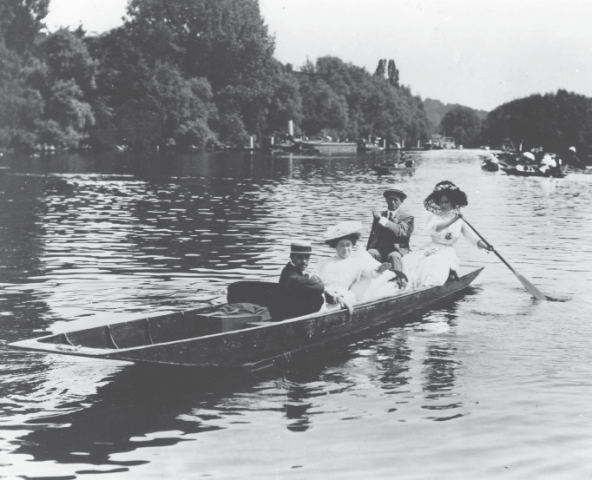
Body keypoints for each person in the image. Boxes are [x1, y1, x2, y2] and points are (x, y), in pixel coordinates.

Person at [402, 181, 491, 289]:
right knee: (408, 260)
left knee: (436, 262)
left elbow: (472, 239)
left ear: (452, 203)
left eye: (446, 202)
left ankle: (429, 286)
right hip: (431, 248)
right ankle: (409, 286)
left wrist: (486, 246)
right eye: (441, 202)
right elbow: (436, 228)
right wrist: (453, 220)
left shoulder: (460, 219)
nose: (443, 205)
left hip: (447, 252)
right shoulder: (434, 217)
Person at [314, 221, 393, 314]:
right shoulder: (324, 261)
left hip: (341, 295)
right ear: (335, 246)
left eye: (348, 245)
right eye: (341, 245)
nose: (345, 249)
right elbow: (314, 279)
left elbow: (371, 274)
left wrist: (379, 269)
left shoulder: (356, 263)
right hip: (322, 294)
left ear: (352, 246)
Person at [274, 240, 325, 321]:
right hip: (287, 316)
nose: (304, 261)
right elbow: (320, 287)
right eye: (299, 257)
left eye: (307, 258)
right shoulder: (291, 276)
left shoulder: (291, 269)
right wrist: (314, 278)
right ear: (291, 257)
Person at [367, 188, 414, 271]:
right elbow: (372, 236)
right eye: (390, 199)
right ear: (386, 200)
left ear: (401, 201)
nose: (392, 202)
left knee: (393, 256)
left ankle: (399, 280)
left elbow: (400, 231)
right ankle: (368, 279)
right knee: (370, 252)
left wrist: (383, 220)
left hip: (398, 251)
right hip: (380, 251)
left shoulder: (407, 217)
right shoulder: (380, 215)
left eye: (395, 200)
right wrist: (366, 250)